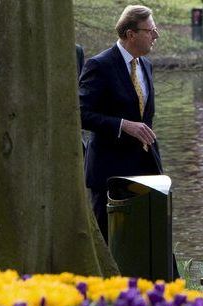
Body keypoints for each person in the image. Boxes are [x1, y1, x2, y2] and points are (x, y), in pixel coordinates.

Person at [79, 5, 163, 242]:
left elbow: (145, 117)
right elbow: (81, 114)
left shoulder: (145, 65)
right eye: (150, 31)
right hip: (110, 171)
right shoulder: (99, 65)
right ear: (130, 34)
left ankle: (162, 280)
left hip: (145, 169)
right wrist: (122, 125)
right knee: (111, 242)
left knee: (151, 239)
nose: (155, 36)